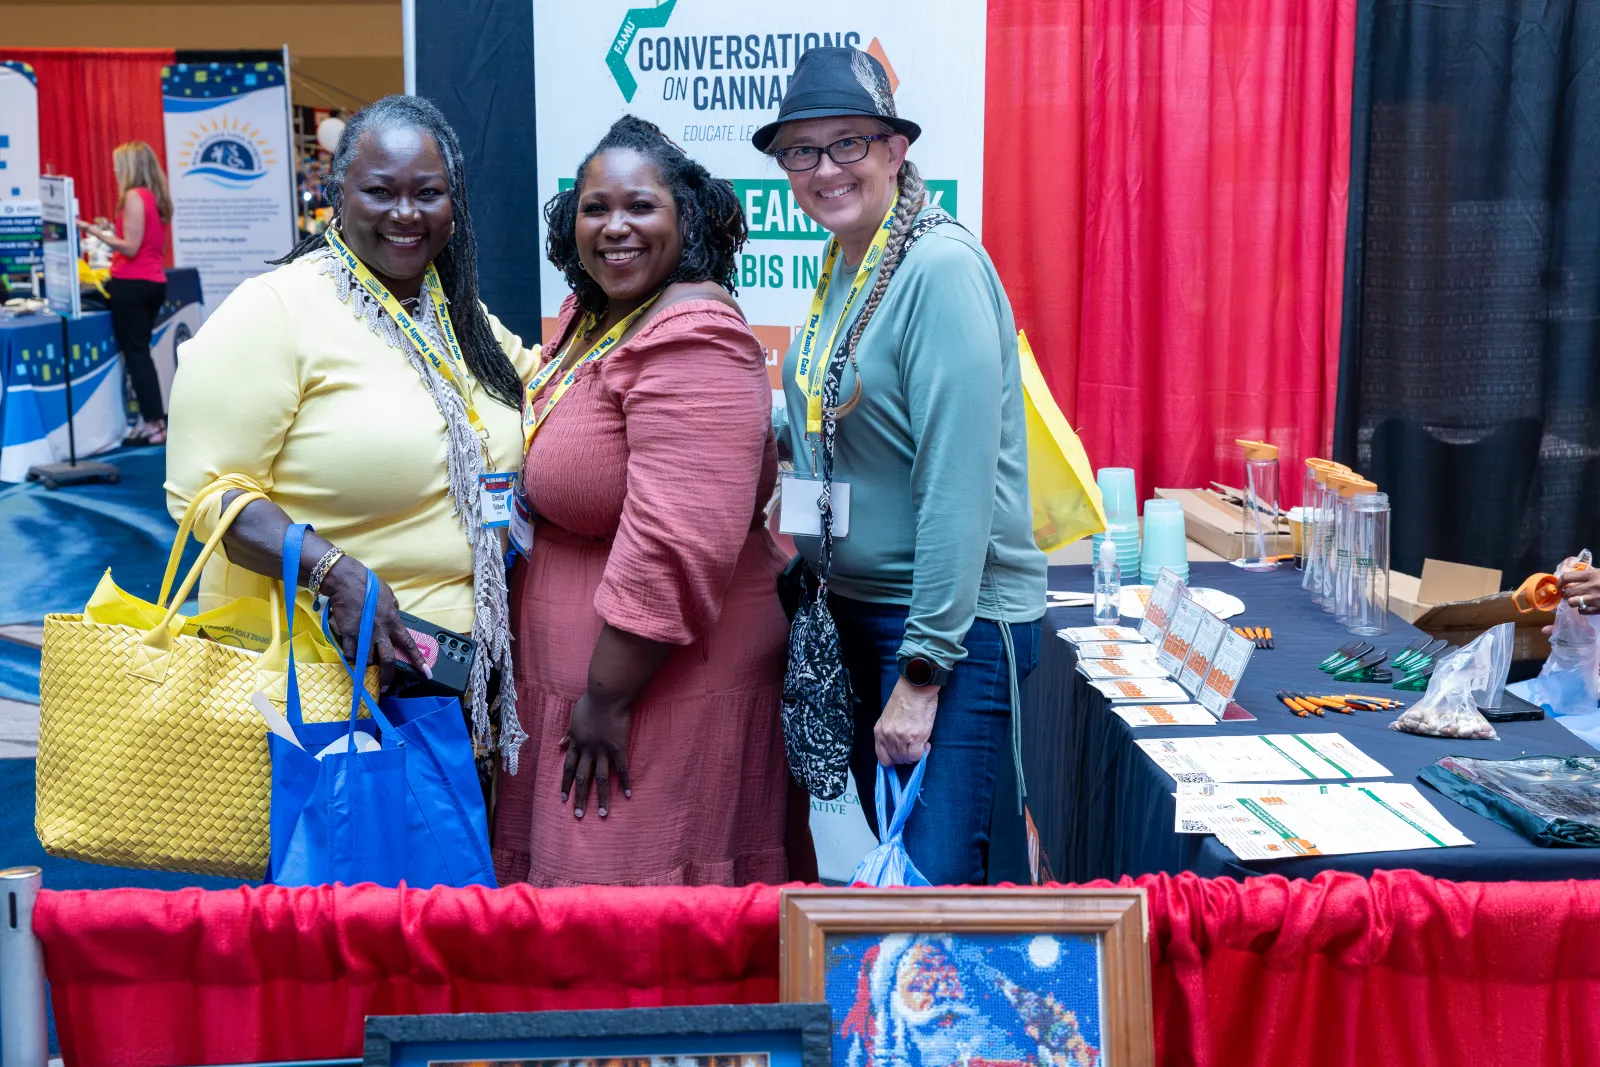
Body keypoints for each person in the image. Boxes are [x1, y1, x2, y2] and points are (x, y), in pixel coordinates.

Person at [164, 96, 537, 768]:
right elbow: (204, 497)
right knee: (357, 873)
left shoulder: (456, 315)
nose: (405, 213)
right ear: (337, 192)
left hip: (460, 678)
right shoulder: (276, 308)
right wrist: (333, 573)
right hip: (333, 684)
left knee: (456, 871)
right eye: (379, 191)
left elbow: (544, 387)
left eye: (428, 192)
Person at [756, 47, 1048, 886]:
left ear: (895, 149)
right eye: (802, 152)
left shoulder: (938, 268)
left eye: (849, 143)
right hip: (856, 613)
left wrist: (922, 674)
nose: (825, 168)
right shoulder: (846, 264)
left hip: (944, 633)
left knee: (935, 894)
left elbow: (957, 491)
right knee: (886, 883)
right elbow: (837, 418)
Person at [491, 116, 796, 887]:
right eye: (595, 208)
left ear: (685, 217)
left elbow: (677, 542)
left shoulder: (694, 336)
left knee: (630, 913)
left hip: (653, 687)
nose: (614, 227)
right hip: (580, 680)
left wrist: (605, 697)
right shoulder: (595, 319)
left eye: (640, 207)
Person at [78, 141, 171, 445]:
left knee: (137, 356)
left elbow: (130, 246)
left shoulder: (133, 197)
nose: (116, 171)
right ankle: (155, 421)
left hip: (131, 283)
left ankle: (153, 425)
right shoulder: (157, 198)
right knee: (141, 353)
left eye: (119, 165)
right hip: (153, 281)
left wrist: (95, 233)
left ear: (130, 166)